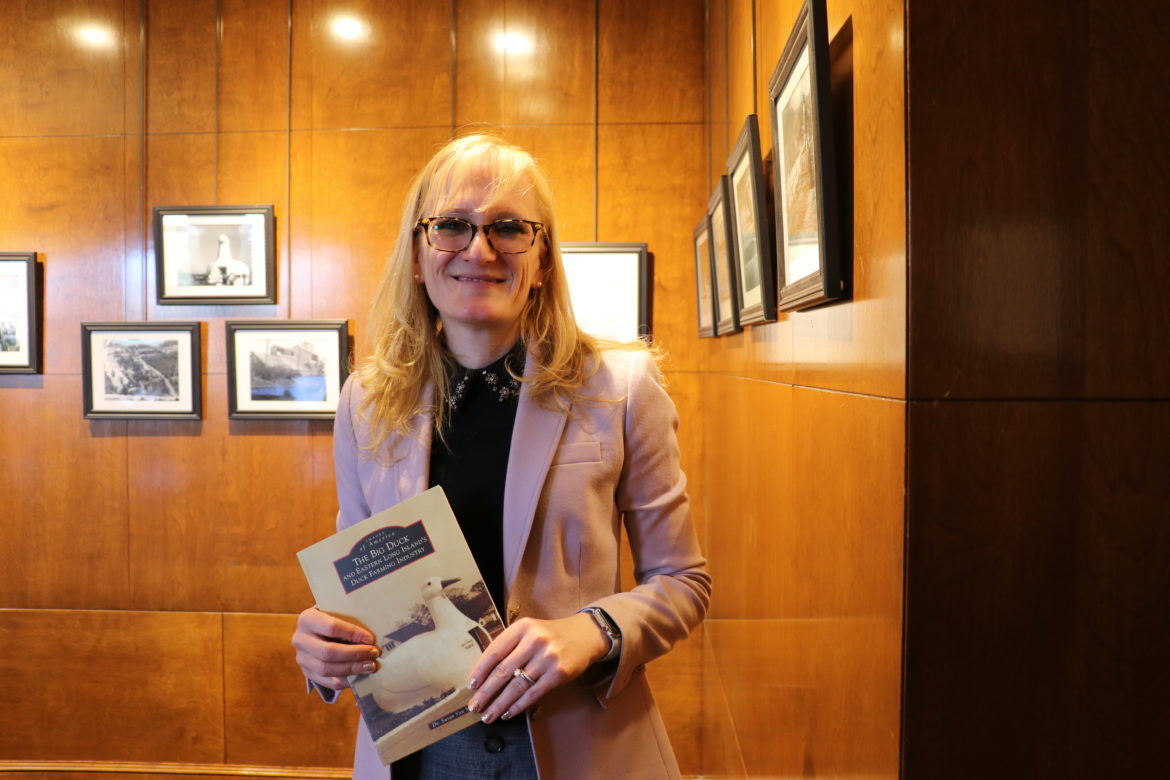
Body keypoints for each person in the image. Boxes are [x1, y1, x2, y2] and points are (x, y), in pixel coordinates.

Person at [291, 133, 711, 779]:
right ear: (415, 253)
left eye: (509, 228)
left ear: (541, 259)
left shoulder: (622, 387)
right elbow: (362, 586)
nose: (479, 250)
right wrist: (326, 646)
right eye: (452, 226)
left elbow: (684, 584)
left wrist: (592, 630)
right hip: (420, 754)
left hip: (581, 747)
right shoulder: (366, 400)